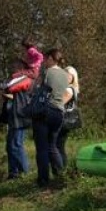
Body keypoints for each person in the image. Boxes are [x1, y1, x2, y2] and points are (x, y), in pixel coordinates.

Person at [31, 48, 73, 188]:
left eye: (45, 59)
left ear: (50, 58)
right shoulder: (65, 74)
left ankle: (43, 180)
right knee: (53, 146)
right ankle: (62, 176)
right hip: (59, 113)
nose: (43, 61)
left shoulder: (46, 73)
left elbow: (35, 89)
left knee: (42, 148)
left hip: (44, 111)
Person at [0, 59, 33, 179]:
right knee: (10, 146)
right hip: (13, 116)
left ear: (22, 68)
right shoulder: (19, 80)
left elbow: (9, 87)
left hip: (20, 116)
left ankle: (25, 173)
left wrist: (6, 89)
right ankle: (13, 173)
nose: (13, 69)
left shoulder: (25, 79)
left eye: (15, 66)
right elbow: (12, 92)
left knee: (16, 145)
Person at [54, 63, 80, 170]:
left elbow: (59, 103)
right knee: (57, 145)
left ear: (73, 77)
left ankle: (61, 169)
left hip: (63, 121)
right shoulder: (65, 88)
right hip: (61, 120)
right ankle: (60, 168)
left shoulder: (69, 90)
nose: (66, 76)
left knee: (58, 146)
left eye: (68, 75)